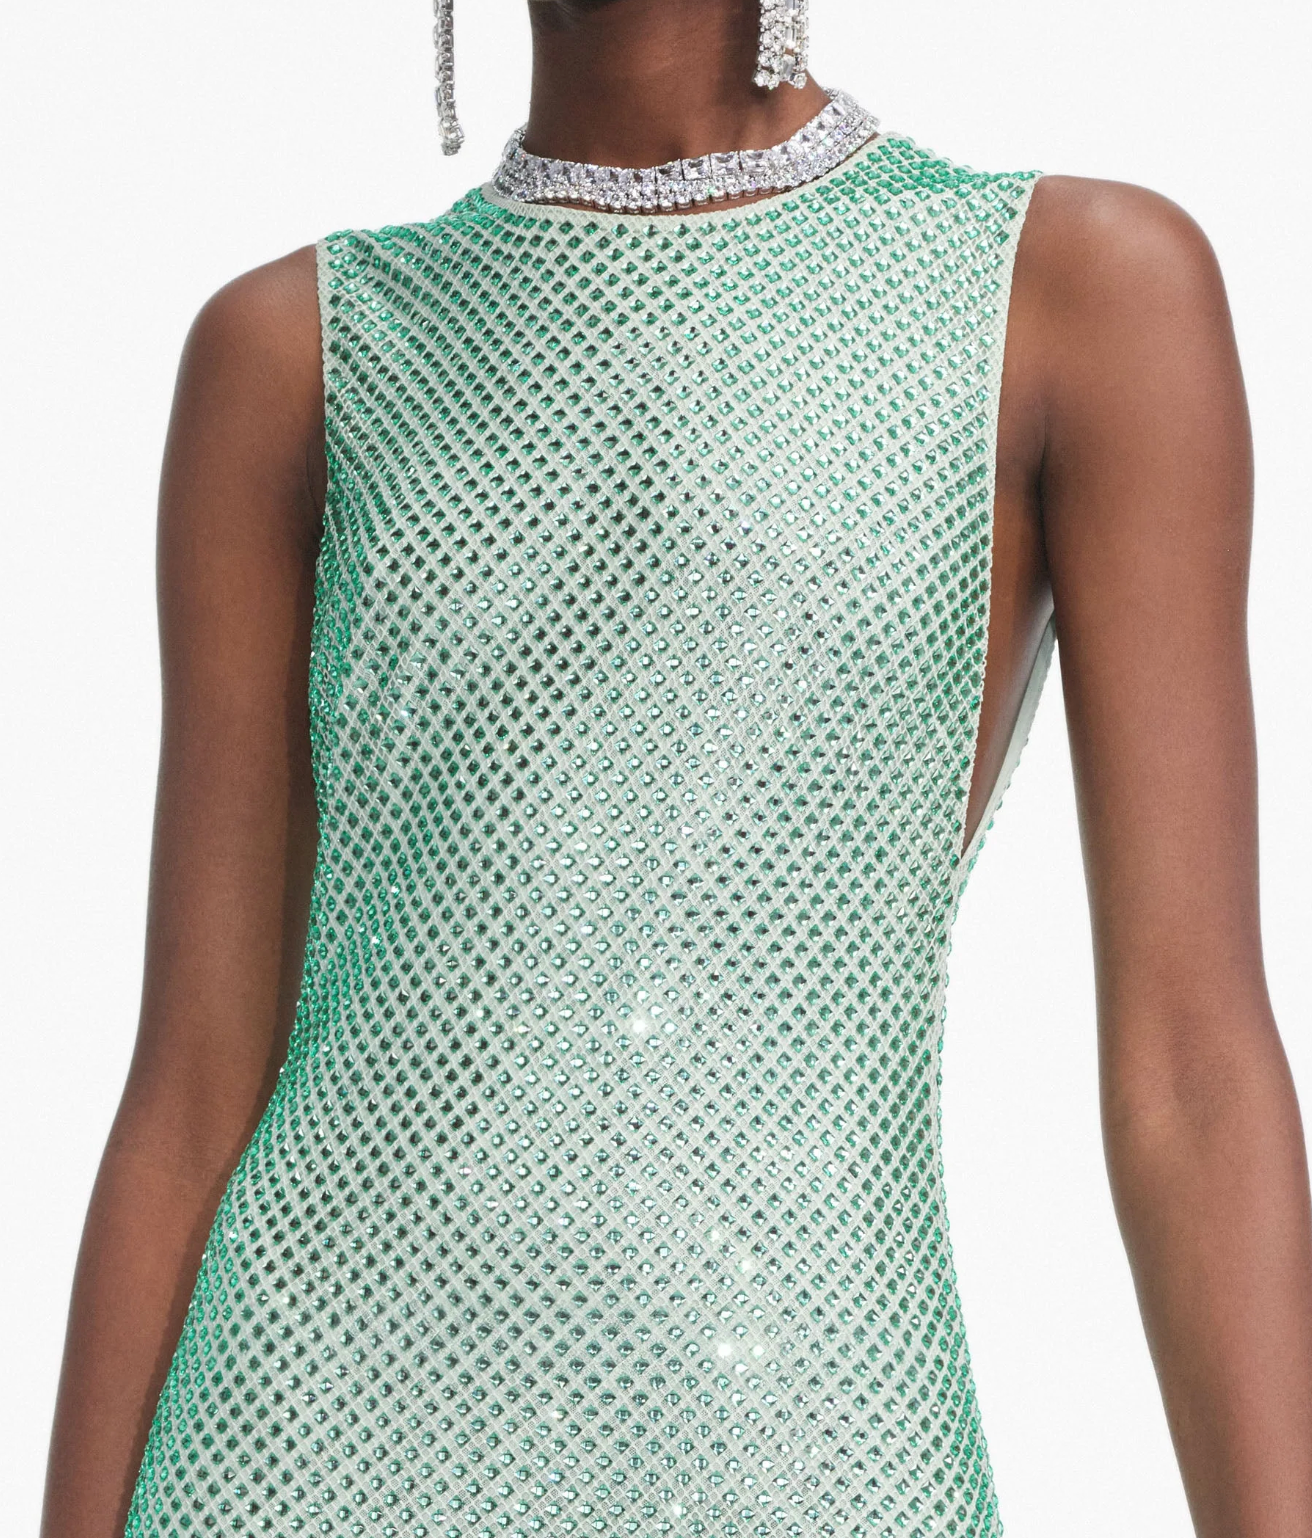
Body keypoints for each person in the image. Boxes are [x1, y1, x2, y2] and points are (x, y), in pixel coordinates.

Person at [38, 1, 1312, 1535]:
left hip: (801, 1443)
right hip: (294, 1443)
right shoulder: (295, 352)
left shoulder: (1069, 291)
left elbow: (1190, 1067)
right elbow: (191, 1089)